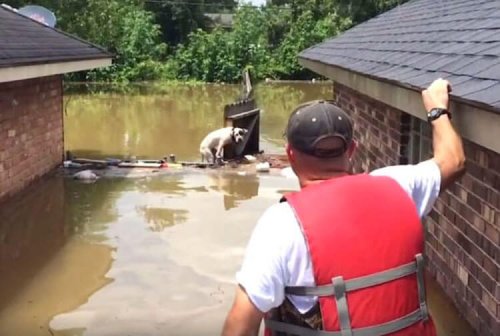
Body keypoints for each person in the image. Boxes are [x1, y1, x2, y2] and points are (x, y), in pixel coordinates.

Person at [222, 78, 465, 336]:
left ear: (290, 154)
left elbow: (240, 325)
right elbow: (454, 161)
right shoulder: (399, 186)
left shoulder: (282, 224)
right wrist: (437, 109)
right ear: (351, 150)